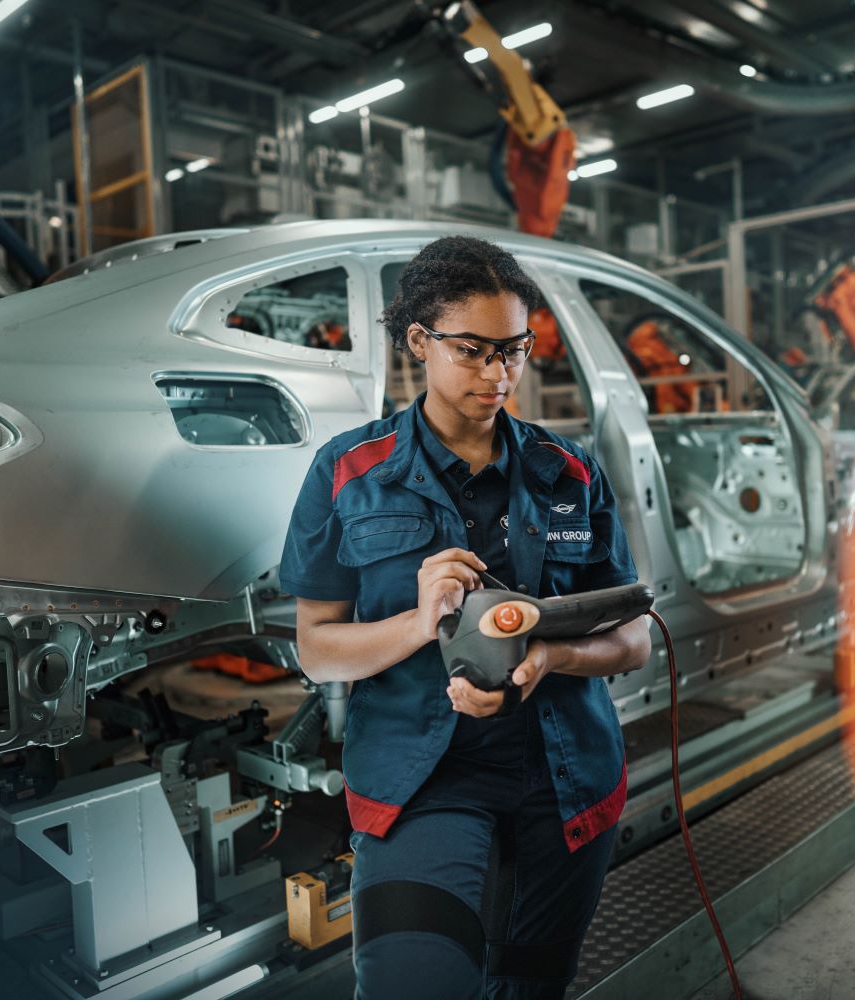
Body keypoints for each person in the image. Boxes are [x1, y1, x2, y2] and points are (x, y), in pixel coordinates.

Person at [279, 235, 651, 999]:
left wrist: (550, 658)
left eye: (514, 350)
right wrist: (418, 623)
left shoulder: (569, 470)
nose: (499, 373)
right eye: (474, 350)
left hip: (563, 773)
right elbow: (317, 650)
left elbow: (634, 637)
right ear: (419, 340)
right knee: (412, 981)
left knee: (530, 985)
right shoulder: (350, 473)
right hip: (425, 777)